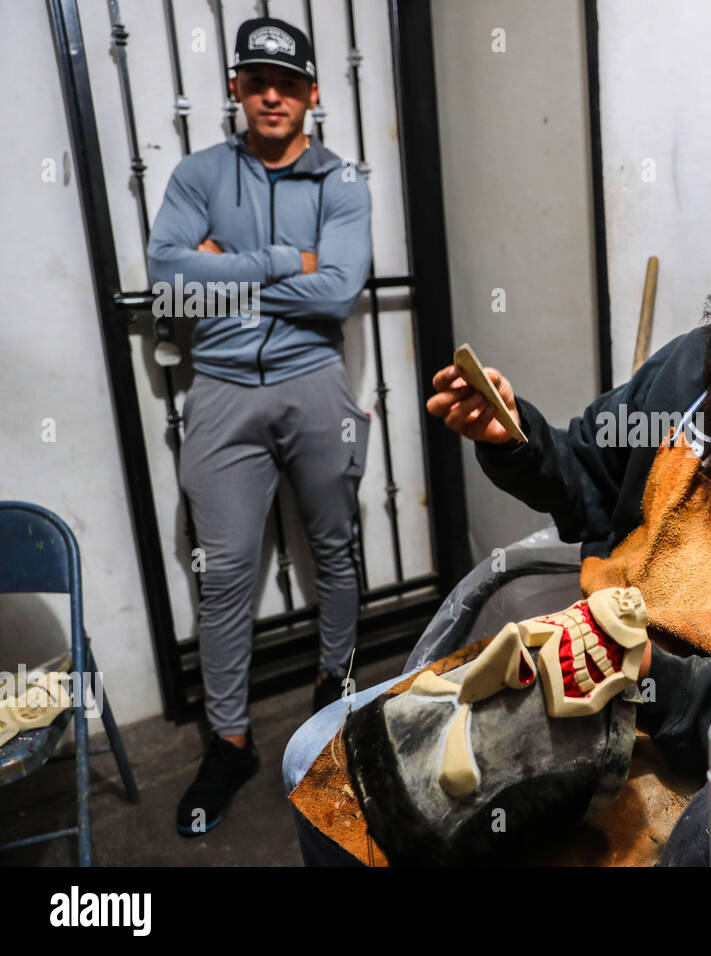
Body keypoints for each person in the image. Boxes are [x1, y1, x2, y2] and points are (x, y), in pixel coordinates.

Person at [283, 140, 711, 865]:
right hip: (593, 675)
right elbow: (588, 482)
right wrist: (517, 441)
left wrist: (659, 680)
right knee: (323, 764)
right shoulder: (694, 365)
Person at [146, 16, 373, 837]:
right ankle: (231, 739)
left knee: (338, 549)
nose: (271, 95)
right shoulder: (199, 174)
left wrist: (229, 271)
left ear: (313, 94)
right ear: (236, 91)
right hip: (221, 394)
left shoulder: (342, 182)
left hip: (316, 386)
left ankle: (336, 697)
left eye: (287, 83)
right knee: (226, 574)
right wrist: (287, 262)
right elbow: (170, 277)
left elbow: (341, 290)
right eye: (254, 81)